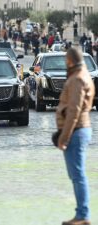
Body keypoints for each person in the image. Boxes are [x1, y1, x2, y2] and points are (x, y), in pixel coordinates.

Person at [56, 48, 95, 225]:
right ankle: (81, 214)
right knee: (76, 174)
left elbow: (74, 111)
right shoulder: (82, 75)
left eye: (66, 59)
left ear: (70, 60)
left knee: (78, 175)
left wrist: (64, 136)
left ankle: (82, 215)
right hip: (79, 129)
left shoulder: (78, 78)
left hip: (77, 130)